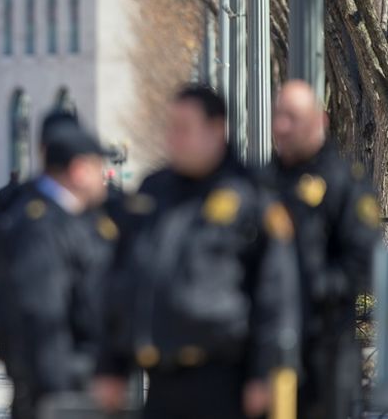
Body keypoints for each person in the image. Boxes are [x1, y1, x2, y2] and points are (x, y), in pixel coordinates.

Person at [94, 85, 299, 419]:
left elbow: (276, 295)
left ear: (216, 129)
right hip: (160, 378)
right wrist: (111, 365)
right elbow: (123, 279)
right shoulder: (153, 192)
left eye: (184, 129)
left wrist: (265, 373)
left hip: (223, 379)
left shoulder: (250, 196)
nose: (173, 139)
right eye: (171, 128)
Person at [0, 123, 117, 419]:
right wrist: (61, 387)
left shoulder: (62, 215)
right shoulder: (42, 226)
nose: (102, 177)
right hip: (58, 387)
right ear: (79, 170)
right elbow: (42, 316)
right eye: (97, 167)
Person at [262, 80, 380, 419]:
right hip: (268, 352)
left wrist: (315, 286)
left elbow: (364, 261)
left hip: (326, 350)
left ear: (320, 121)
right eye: (278, 116)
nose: (282, 126)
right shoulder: (262, 183)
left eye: (293, 117)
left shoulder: (345, 183)